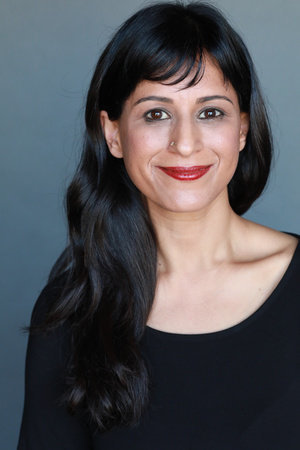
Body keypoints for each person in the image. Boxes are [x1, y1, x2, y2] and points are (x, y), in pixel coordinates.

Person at [18, 2, 300, 449]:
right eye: (156, 113)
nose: (184, 144)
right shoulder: (73, 309)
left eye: (211, 112)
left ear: (242, 130)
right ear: (112, 133)